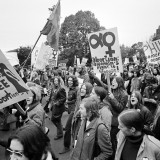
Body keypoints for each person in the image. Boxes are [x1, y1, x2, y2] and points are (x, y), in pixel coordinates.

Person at [60, 75, 80, 154]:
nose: (70, 82)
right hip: (71, 110)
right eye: (68, 80)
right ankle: (74, 146)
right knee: (73, 129)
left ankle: (67, 146)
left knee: (68, 128)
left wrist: (67, 102)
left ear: (74, 81)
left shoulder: (76, 89)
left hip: (74, 110)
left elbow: (77, 101)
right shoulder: (70, 89)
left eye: (71, 81)